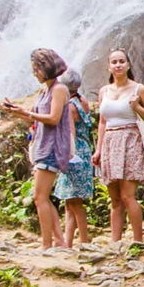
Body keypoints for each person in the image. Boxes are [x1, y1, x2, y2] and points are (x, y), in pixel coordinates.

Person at [4, 48, 71, 250]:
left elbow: (53, 118)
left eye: (36, 69)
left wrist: (27, 113)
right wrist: (16, 111)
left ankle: (46, 244)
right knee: (42, 197)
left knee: (39, 197)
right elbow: (35, 116)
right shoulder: (45, 90)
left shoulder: (59, 89)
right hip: (43, 145)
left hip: (52, 147)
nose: (34, 73)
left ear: (45, 68)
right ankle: (59, 242)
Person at [92, 49, 144, 242]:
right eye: (114, 62)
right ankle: (115, 242)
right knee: (115, 199)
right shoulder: (104, 91)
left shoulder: (139, 89)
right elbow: (102, 122)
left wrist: (137, 107)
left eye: (121, 61)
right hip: (110, 142)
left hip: (130, 141)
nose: (118, 65)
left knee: (128, 196)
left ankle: (138, 241)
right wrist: (98, 149)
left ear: (128, 65)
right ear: (108, 67)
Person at [54, 69, 95, 247]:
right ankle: (68, 242)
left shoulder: (69, 107)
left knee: (74, 202)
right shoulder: (82, 101)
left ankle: (84, 240)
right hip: (84, 149)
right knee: (71, 202)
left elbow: (69, 132)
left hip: (74, 151)